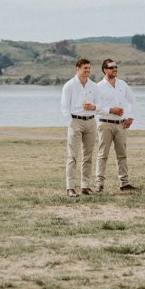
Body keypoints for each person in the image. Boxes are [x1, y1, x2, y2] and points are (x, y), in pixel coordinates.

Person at [94, 58, 137, 192]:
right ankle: (98, 184)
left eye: (116, 67)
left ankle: (124, 183)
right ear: (105, 70)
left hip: (120, 125)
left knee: (122, 154)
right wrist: (110, 110)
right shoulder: (98, 87)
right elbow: (94, 107)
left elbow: (133, 101)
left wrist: (130, 117)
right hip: (105, 124)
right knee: (103, 154)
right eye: (112, 67)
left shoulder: (123, 84)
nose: (115, 69)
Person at [60, 58, 100, 197]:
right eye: (85, 68)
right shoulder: (69, 85)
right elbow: (64, 108)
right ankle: (70, 187)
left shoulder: (94, 86)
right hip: (75, 121)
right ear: (78, 68)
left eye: (89, 68)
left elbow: (99, 106)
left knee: (88, 156)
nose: (88, 70)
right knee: (72, 156)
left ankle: (85, 186)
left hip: (91, 122)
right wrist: (71, 123)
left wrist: (94, 107)